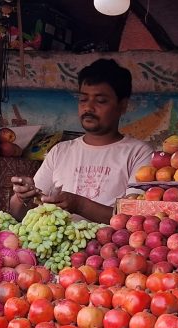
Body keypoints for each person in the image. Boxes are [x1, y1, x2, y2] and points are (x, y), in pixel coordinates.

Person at [9, 59, 152, 223]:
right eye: (83, 99)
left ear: (123, 105)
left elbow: (135, 218)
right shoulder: (60, 151)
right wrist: (22, 197)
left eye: (100, 101)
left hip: (111, 240)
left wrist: (80, 205)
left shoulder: (139, 153)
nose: (88, 107)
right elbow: (19, 215)